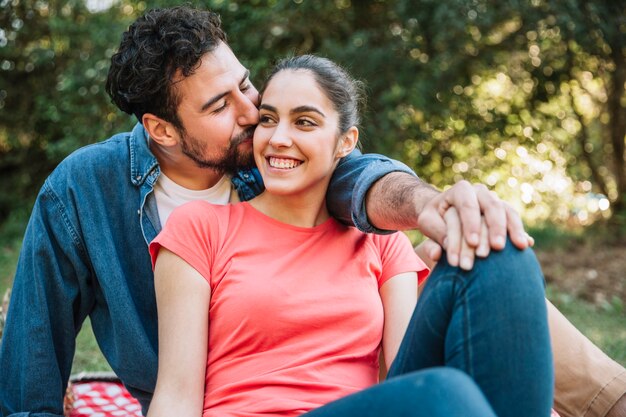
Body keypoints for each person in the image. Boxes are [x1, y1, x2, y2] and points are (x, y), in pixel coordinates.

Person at [0, 5, 623, 417]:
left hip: (364, 393)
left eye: (249, 87)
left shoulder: (272, 157)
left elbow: (360, 176)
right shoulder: (87, 192)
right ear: (162, 129)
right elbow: (36, 352)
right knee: (447, 397)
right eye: (223, 105)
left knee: (497, 251)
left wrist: (431, 206)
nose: (253, 115)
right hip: (233, 399)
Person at [147, 53, 553, 417]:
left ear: (346, 142)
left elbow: (402, 373)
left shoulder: (380, 240)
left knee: (501, 257)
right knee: (442, 392)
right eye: (268, 119)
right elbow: (177, 395)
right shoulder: (201, 227)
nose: (278, 138)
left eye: (304, 122)